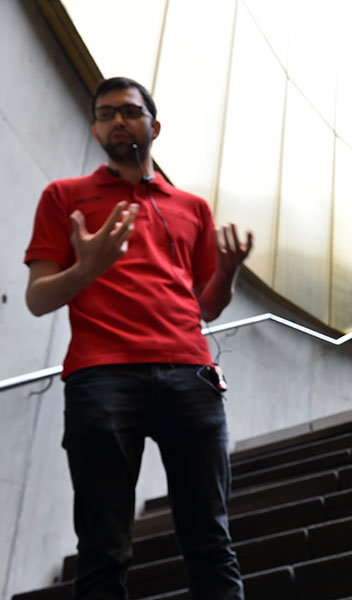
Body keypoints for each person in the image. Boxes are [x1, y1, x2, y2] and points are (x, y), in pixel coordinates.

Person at [24, 77, 252, 599]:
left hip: (190, 374)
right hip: (100, 376)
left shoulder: (192, 207)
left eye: (128, 111)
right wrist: (88, 268)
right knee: (103, 549)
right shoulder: (63, 197)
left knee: (211, 542)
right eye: (105, 114)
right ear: (94, 129)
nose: (117, 121)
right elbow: (38, 298)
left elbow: (205, 307)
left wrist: (230, 271)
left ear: (155, 124)